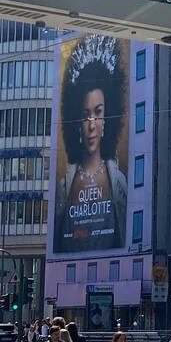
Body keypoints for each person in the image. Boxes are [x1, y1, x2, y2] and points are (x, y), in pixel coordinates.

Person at [54, 34, 129, 254]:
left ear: (107, 117)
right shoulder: (64, 185)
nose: (91, 125)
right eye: (85, 115)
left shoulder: (118, 182)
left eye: (98, 113)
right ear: (77, 120)